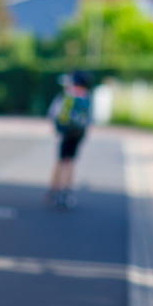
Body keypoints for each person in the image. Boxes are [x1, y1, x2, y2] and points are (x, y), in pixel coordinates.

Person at [46, 70, 94, 208]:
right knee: (71, 161)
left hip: (65, 132)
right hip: (78, 133)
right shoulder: (86, 96)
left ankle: (56, 190)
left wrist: (57, 126)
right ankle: (67, 190)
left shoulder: (68, 94)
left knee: (62, 160)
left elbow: (53, 112)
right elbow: (89, 118)